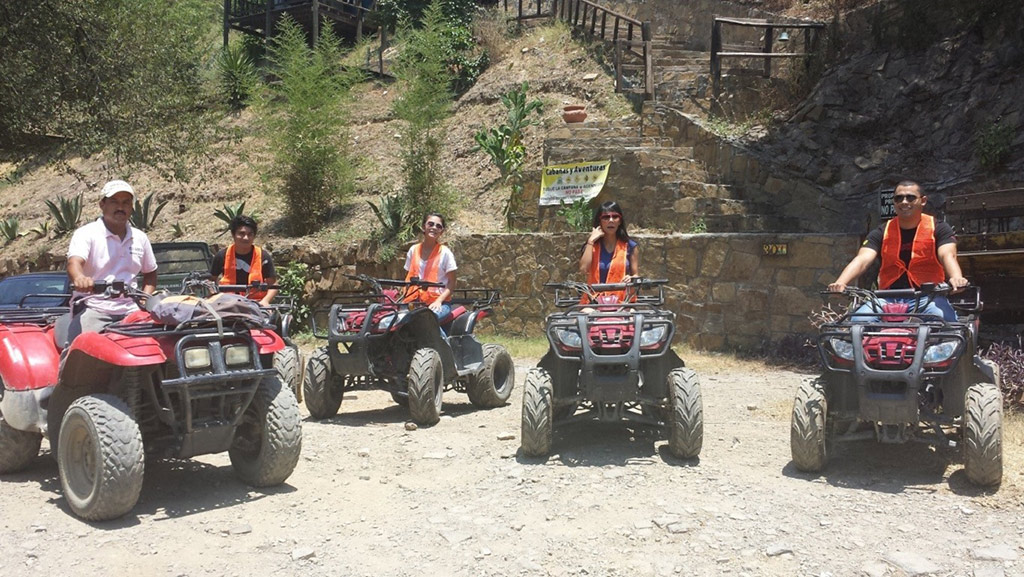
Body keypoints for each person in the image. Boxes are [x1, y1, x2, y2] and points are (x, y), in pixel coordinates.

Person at [827, 180, 968, 322]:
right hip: (887, 297)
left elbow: (947, 255)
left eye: (910, 197)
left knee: (944, 320)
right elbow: (862, 259)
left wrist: (956, 277)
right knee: (859, 320)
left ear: (923, 201)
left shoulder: (939, 228)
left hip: (928, 297)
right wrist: (841, 282)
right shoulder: (881, 231)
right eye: (898, 198)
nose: (904, 202)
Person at [66, 179, 158, 338]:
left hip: (132, 310)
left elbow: (150, 273)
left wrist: (145, 299)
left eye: (126, 202)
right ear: (102, 204)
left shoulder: (140, 238)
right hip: (94, 307)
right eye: (114, 202)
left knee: (162, 341)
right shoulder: (86, 233)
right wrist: (80, 278)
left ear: (132, 207)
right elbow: (74, 262)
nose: (120, 207)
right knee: (80, 346)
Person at [210, 215, 279, 306]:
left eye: (250, 234)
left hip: (256, 305)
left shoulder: (263, 256)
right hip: (228, 305)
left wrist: (265, 301)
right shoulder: (221, 256)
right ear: (233, 235)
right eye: (241, 234)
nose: (246, 238)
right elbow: (210, 281)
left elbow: (273, 284)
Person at [579, 201, 639, 304]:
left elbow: (636, 275)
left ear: (620, 221)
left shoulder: (630, 246)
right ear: (600, 222)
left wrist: (631, 278)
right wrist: (591, 241)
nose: (611, 220)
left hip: (622, 301)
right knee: (586, 314)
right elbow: (583, 269)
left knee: (634, 315)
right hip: (594, 301)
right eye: (606, 217)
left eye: (615, 217)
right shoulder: (591, 246)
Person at [403, 213, 457, 322]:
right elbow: (408, 276)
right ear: (424, 227)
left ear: (442, 231)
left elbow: (452, 282)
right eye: (430, 224)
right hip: (413, 303)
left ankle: (440, 335)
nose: (434, 228)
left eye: (438, 226)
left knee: (426, 321)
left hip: (439, 303)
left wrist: (439, 301)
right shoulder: (413, 250)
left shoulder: (445, 253)